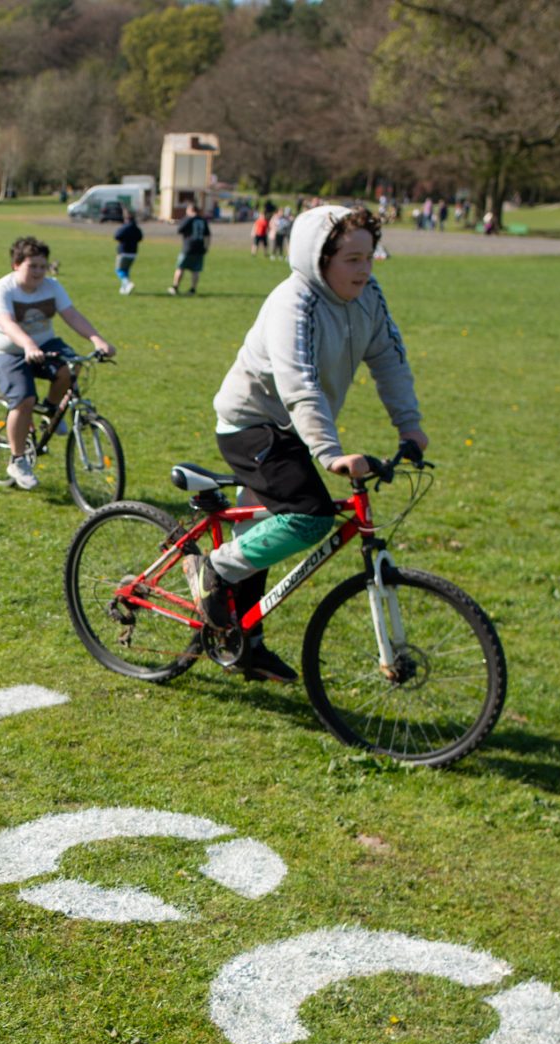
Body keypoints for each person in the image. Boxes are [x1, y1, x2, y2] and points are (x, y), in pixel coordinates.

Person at [190, 204, 428, 685]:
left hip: (295, 428)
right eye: (352, 259)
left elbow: (390, 359)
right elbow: (298, 383)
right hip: (251, 423)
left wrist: (410, 425)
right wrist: (329, 453)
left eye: (370, 256)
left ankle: (244, 645)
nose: (365, 269)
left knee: (259, 534)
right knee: (310, 514)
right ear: (319, 259)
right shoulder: (292, 303)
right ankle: (210, 570)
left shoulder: (369, 296)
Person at [0, 235, 114, 491]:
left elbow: (71, 315)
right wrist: (28, 345)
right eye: (32, 266)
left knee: (73, 368)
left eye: (43, 266)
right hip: (6, 350)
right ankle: (17, 460)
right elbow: (7, 324)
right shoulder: (3, 289)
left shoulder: (52, 287)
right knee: (24, 400)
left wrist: (98, 340)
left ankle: (52, 412)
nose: (39, 272)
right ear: (16, 265)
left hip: (44, 344)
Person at [170, 203, 210, 294]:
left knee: (180, 267)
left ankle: (175, 287)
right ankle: (193, 289)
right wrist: (206, 247)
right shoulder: (203, 220)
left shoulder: (189, 219)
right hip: (200, 247)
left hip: (188, 247)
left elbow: (179, 230)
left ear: (190, 210)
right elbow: (207, 235)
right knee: (195, 270)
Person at [113, 211, 144, 295]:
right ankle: (124, 289)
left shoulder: (125, 227)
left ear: (126, 219)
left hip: (124, 252)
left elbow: (117, 236)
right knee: (126, 270)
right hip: (133, 253)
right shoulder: (136, 228)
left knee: (119, 270)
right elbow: (140, 237)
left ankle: (127, 283)